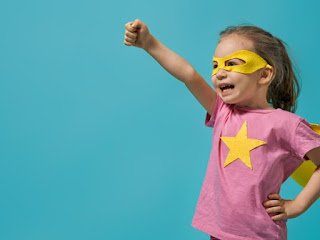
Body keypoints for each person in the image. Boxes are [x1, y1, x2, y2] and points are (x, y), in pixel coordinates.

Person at [123, 19, 320, 240]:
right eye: (216, 65)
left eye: (232, 64)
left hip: (261, 235)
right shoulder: (224, 112)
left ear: (264, 75)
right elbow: (188, 74)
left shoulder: (287, 124)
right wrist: (149, 43)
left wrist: (298, 205)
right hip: (219, 233)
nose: (219, 73)